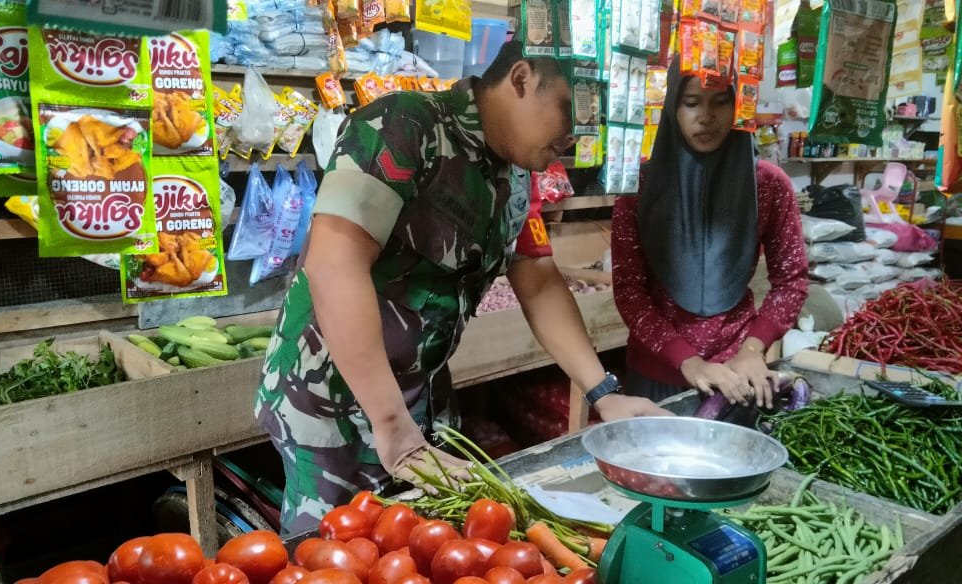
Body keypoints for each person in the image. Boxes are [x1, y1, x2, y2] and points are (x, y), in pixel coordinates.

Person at [255, 40, 670, 534]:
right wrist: (392, 427)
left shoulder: (515, 173)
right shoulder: (401, 126)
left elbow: (538, 282)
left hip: (419, 396)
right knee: (335, 551)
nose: (577, 132)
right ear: (521, 79)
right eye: (569, 107)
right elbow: (333, 265)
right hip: (333, 397)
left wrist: (603, 392)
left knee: (418, 547)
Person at [611, 58, 808, 408]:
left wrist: (752, 349)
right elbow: (629, 291)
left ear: (738, 105)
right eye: (691, 103)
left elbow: (791, 280)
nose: (706, 116)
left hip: (737, 376)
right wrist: (688, 361)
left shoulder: (767, 185)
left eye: (720, 101)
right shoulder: (639, 187)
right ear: (672, 106)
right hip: (655, 377)